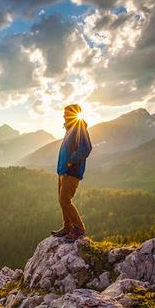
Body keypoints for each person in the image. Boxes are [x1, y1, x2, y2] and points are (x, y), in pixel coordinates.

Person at [51, 104, 92, 242]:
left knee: (65, 200)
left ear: (73, 114)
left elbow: (86, 148)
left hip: (71, 171)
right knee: (62, 201)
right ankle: (67, 227)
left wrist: (71, 161)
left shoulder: (80, 127)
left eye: (66, 113)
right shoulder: (70, 129)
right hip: (62, 172)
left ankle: (79, 228)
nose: (63, 115)